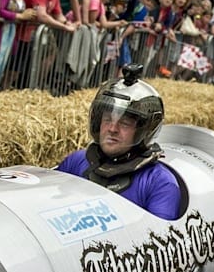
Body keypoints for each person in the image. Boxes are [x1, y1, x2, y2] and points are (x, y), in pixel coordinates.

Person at [57, 65, 182, 219]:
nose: (112, 129)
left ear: (144, 131)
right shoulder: (75, 162)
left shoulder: (159, 182)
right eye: (108, 119)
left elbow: (159, 237)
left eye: (124, 123)